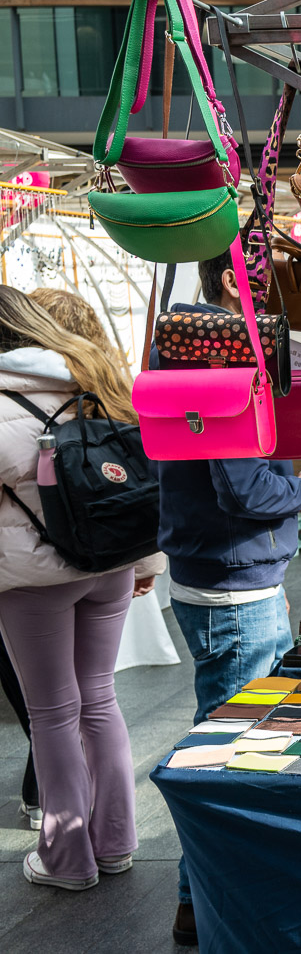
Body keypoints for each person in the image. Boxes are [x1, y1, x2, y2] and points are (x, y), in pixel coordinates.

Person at [156, 250, 301, 944]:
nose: (284, 296)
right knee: (228, 752)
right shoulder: (216, 355)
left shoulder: (183, 345)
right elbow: (243, 489)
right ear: (234, 280)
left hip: (226, 577)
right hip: (231, 586)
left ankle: (202, 899)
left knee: (226, 739)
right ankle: (202, 903)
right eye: (274, 278)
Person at [0, 286, 164, 890]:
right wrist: (147, 560)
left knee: (52, 714)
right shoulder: (94, 376)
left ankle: (67, 860)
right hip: (110, 561)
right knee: (99, 698)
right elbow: (141, 476)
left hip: (34, 579)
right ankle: (115, 843)